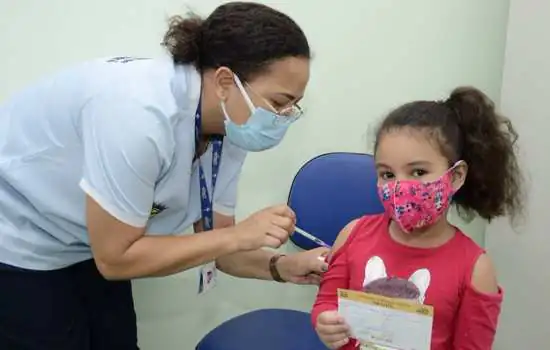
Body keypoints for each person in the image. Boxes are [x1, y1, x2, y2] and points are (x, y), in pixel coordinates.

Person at [0, 2, 329, 350]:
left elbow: (220, 246)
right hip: (21, 241)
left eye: (294, 105)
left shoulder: (231, 125)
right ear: (224, 81)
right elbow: (116, 259)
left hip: (90, 244)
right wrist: (240, 236)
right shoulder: (137, 113)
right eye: (280, 103)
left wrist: (283, 266)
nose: (285, 117)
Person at [311, 87, 525, 349]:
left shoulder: (475, 268)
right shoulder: (353, 234)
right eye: (387, 174)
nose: (400, 186)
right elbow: (327, 301)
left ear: (455, 176)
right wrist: (325, 321)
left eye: (418, 171)